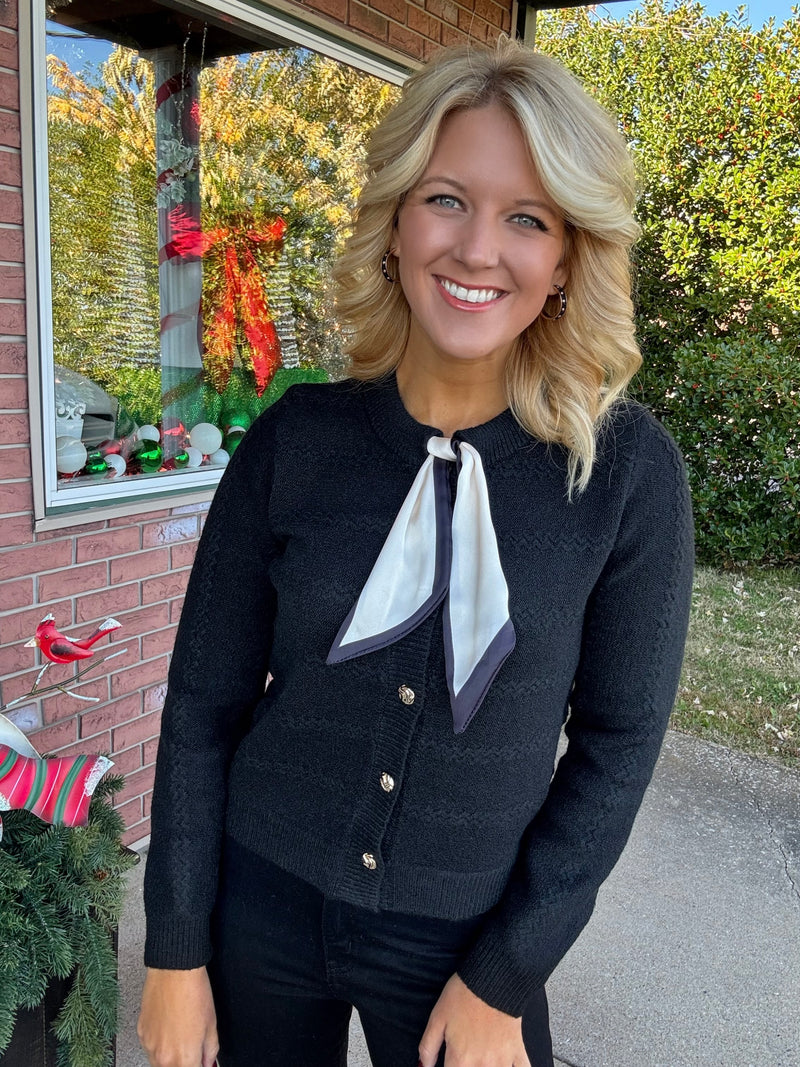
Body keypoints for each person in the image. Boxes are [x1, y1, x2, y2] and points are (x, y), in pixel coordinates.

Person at [138, 37, 694, 1067]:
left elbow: (617, 747)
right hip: (259, 901)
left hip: (464, 942)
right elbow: (201, 704)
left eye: (526, 218)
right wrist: (174, 946)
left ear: (567, 255)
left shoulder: (623, 475)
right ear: (395, 220)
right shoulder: (293, 442)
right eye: (446, 199)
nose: (477, 249)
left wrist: (507, 971)